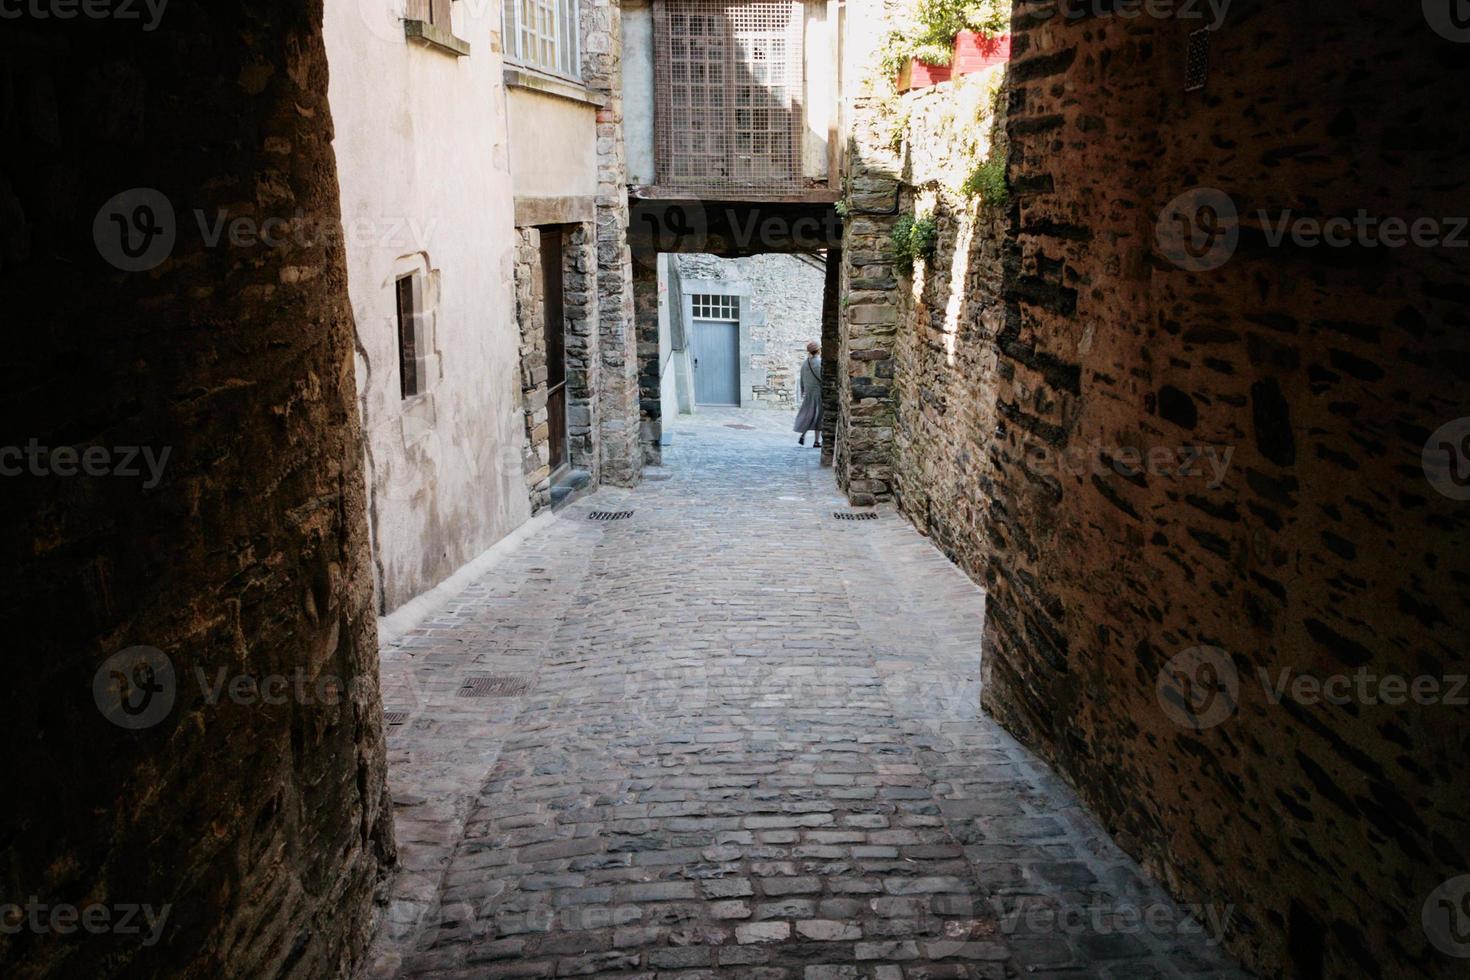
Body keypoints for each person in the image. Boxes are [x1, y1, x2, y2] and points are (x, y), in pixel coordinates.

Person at [794, 341, 823, 448]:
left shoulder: (805, 363)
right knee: (818, 417)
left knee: (808, 415)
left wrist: (803, 391)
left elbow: (801, 379)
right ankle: (816, 441)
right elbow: (822, 378)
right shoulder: (819, 362)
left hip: (808, 393)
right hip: (818, 394)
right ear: (819, 350)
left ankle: (803, 435)